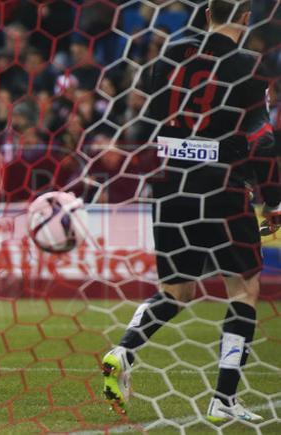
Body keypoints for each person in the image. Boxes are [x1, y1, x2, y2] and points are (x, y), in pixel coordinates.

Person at [101, 0, 280, 423]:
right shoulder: (250, 67)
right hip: (222, 186)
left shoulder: (169, 57)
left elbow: (147, 120)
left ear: (205, 16)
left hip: (168, 185)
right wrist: (273, 199)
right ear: (244, 18)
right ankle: (223, 400)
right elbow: (263, 139)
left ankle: (122, 350)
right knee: (243, 291)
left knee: (175, 292)